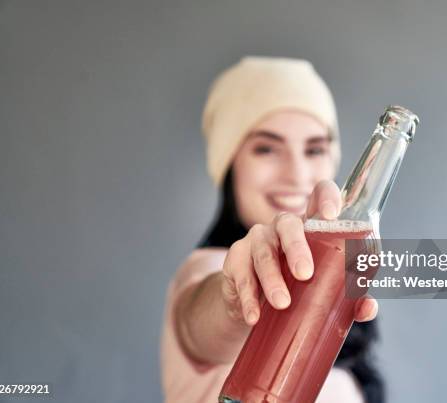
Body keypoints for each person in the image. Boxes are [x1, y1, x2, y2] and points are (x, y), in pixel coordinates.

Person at [160, 56, 383, 403]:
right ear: (230, 164)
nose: (296, 174)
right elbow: (202, 321)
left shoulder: (337, 284)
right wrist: (236, 299)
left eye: (314, 149)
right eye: (266, 148)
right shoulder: (209, 269)